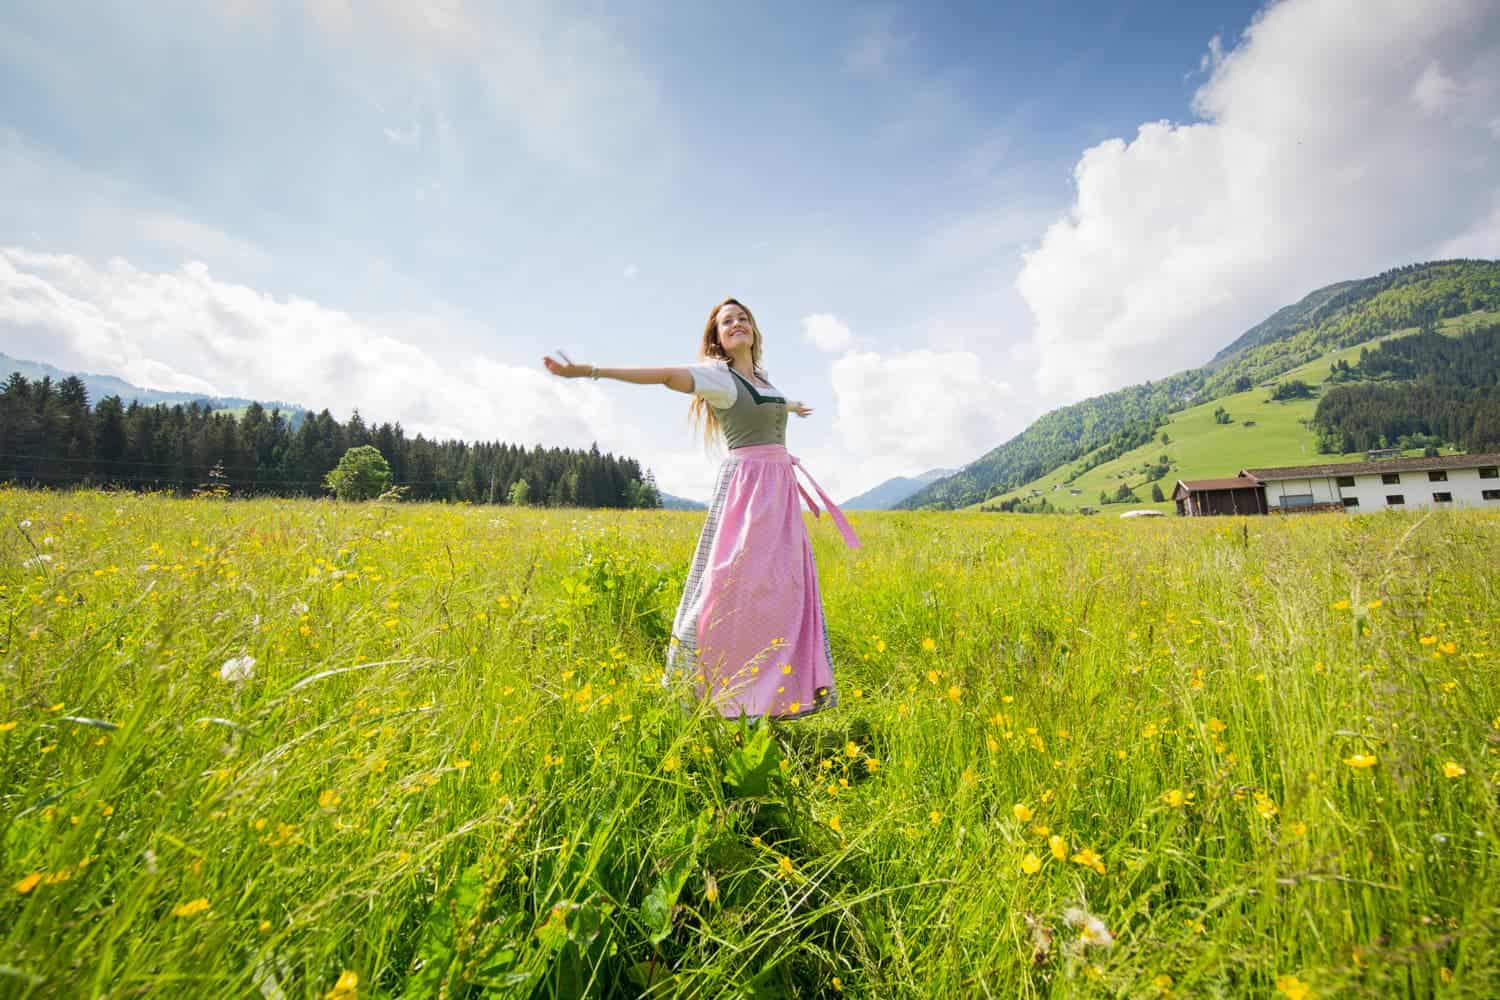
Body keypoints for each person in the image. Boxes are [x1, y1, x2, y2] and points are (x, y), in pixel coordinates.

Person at [543, 297, 859, 720]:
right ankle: (712, 689)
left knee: (785, 589)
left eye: (743, 318)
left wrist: (791, 406)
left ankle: (775, 696)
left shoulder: (762, 380)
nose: (737, 323)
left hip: (779, 491)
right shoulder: (718, 377)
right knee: (735, 586)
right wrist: (591, 371)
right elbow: (667, 375)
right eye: (727, 321)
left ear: (754, 330)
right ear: (717, 337)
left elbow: (770, 406)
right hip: (750, 492)